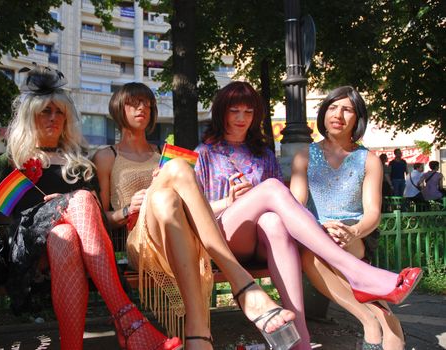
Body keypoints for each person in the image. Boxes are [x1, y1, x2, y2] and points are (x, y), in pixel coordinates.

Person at [0, 67, 182, 350]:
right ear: (30, 117)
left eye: (59, 112)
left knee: (66, 236)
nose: (53, 118)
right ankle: (129, 320)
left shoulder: (80, 164)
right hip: (29, 254)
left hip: (72, 253)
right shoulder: (12, 161)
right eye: (45, 112)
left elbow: (97, 220)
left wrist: (64, 207)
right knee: (81, 200)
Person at [194, 81, 422, 350]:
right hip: (222, 238)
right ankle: (359, 273)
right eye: (234, 111)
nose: (242, 118)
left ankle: (299, 340)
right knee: (272, 189)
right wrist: (228, 201)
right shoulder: (203, 154)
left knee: (273, 220)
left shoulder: (264, 155)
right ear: (222, 113)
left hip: (262, 240)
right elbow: (193, 209)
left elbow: (284, 206)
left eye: (249, 112)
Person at [93, 82, 295, 350]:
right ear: (119, 109)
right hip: (140, 239)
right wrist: (125, 210)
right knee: (176, 170)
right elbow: (101, 217)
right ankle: (242, 286)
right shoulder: (107, 155)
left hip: (178, 234)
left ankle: (198, 334)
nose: (142, 108)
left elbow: (191, 205)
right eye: (133, 103)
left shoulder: (163, 153)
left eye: (147, 103)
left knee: (166, 197)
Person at [290, 86, 405, 349]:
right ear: (323, 113)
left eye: (347, 109)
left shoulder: (368, 160)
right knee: (311, 254)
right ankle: (373, 318)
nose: (338, 114)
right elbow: (295, 206)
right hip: (314, 231)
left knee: (326, 249)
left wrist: (353, 231)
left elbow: (373, 213)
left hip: (355, 232)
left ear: (357, 118)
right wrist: (317, 228)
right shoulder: (305, 155)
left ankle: (379, 322)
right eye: (332, 107)